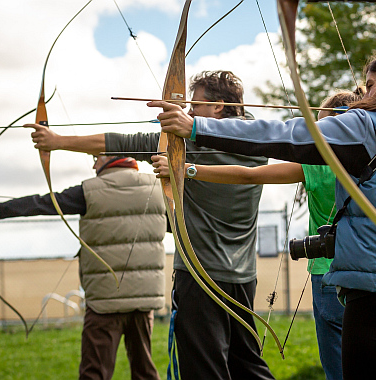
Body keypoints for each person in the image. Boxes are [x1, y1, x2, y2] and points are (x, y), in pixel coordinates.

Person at [150, 45, 376, 379]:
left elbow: (287, 134)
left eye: (371, 85)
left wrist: (197, 127)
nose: (364, 95)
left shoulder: (368, 126)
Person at [27, 71, 275, 380]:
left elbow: (126, 142)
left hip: (200, 278)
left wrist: (57, 141)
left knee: (204, 370)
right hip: (243, 277)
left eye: (194, 106)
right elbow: (126, 142)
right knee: (247, 364)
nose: (187, 113)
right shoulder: (261, 140)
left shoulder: (190, 147)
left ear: (218, 106)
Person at [151, 89, 363, 380]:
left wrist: (186, 169)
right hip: (371, 274)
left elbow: (249, 176)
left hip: (328, 275)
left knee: (338, 370)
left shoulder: (321, 164)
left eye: (322, 126)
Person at [0, 155, 166, 380]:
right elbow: (176, 225)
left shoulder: (90, 190)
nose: (93, 164)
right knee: (144, 371)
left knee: (94, 373)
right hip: (144, 300)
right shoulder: (157, 188)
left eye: (96, 158)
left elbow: (40, 203)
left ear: (111, 155)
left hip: (105, 300)